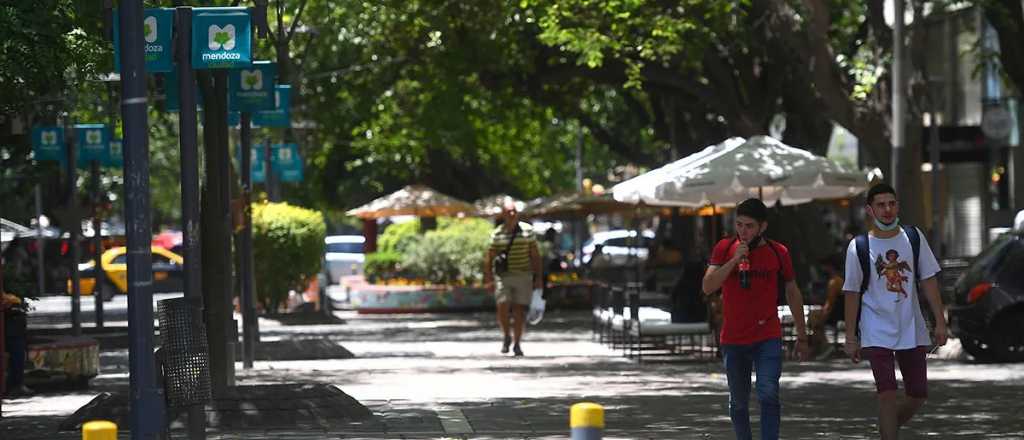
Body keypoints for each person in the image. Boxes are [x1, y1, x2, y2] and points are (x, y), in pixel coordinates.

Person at [842, 183, 947, 440]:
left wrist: (940, 321)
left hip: (910, 325)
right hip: (875, 328)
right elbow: (852, 293)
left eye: (891, 203)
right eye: (880, 204)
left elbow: (928, 280)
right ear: (870, 209)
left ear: (897, 205)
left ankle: (887, 428)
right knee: (887, 393)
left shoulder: (913, 237)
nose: (887, 210)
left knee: (918, 394)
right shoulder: (859, 246)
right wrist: (850, 337)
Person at [702, 198, 809, 440]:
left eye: (749, 226)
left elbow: (793, 292)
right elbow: (708, 286)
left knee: (768, 393)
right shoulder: (724, 247)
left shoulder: (778, 252)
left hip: (767, 336)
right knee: (739, 402)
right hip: (733, 338)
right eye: (739, 224)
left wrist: (802, 336)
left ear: (763, 227)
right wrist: (732, 261)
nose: (743, 231)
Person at [483, 199, 542, 357]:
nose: (512, 214)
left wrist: (538, 278)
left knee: (519, 310)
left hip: (524, 275)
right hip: (503, 276)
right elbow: (489, 257)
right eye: (509, 211)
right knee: (502, 305)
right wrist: (488, 278)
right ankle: (506, 336)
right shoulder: (497, 234)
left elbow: (535, 256)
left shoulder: (527, 231)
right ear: (503, 214)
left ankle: (517, 343)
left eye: (514, 211)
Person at [807, 253, 844, 358]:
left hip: (836, 314)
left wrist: (822, 316)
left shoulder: (834, 282)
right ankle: (819, 346)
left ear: (830, 267)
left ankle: (823, 345)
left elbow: (830, 303)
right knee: (814, 316)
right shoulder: (839, 280)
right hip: (837, 313)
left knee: (814, 319)